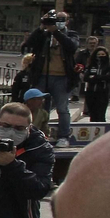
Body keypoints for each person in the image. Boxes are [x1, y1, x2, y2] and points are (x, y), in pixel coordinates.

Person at [21, 11, 78, 145]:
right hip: (42, 76)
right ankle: (37, 134)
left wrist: (56, 32)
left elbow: (72, 47)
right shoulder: (45, 35)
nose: (58, 22)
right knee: (38, 106)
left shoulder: (71, 34)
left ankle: (64, 136)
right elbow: (29, 44)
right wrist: (42, 27)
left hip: (62, 77)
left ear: (67, 21)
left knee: (62, 108)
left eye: (62, 19)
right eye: (55, 19)